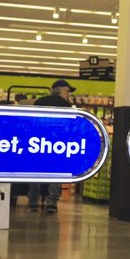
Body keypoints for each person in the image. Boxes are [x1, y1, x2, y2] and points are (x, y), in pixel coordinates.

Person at [28, 79, 73, 214]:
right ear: (60, 90)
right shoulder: (65, 105)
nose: (69, 94)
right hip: (57, 142)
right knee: (55, 172)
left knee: (35, 171)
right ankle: (51, 203)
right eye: (67, 91)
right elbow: (68, 125)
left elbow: (32, 121)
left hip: (38, 141)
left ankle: (33, 201)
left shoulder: (39, 101)